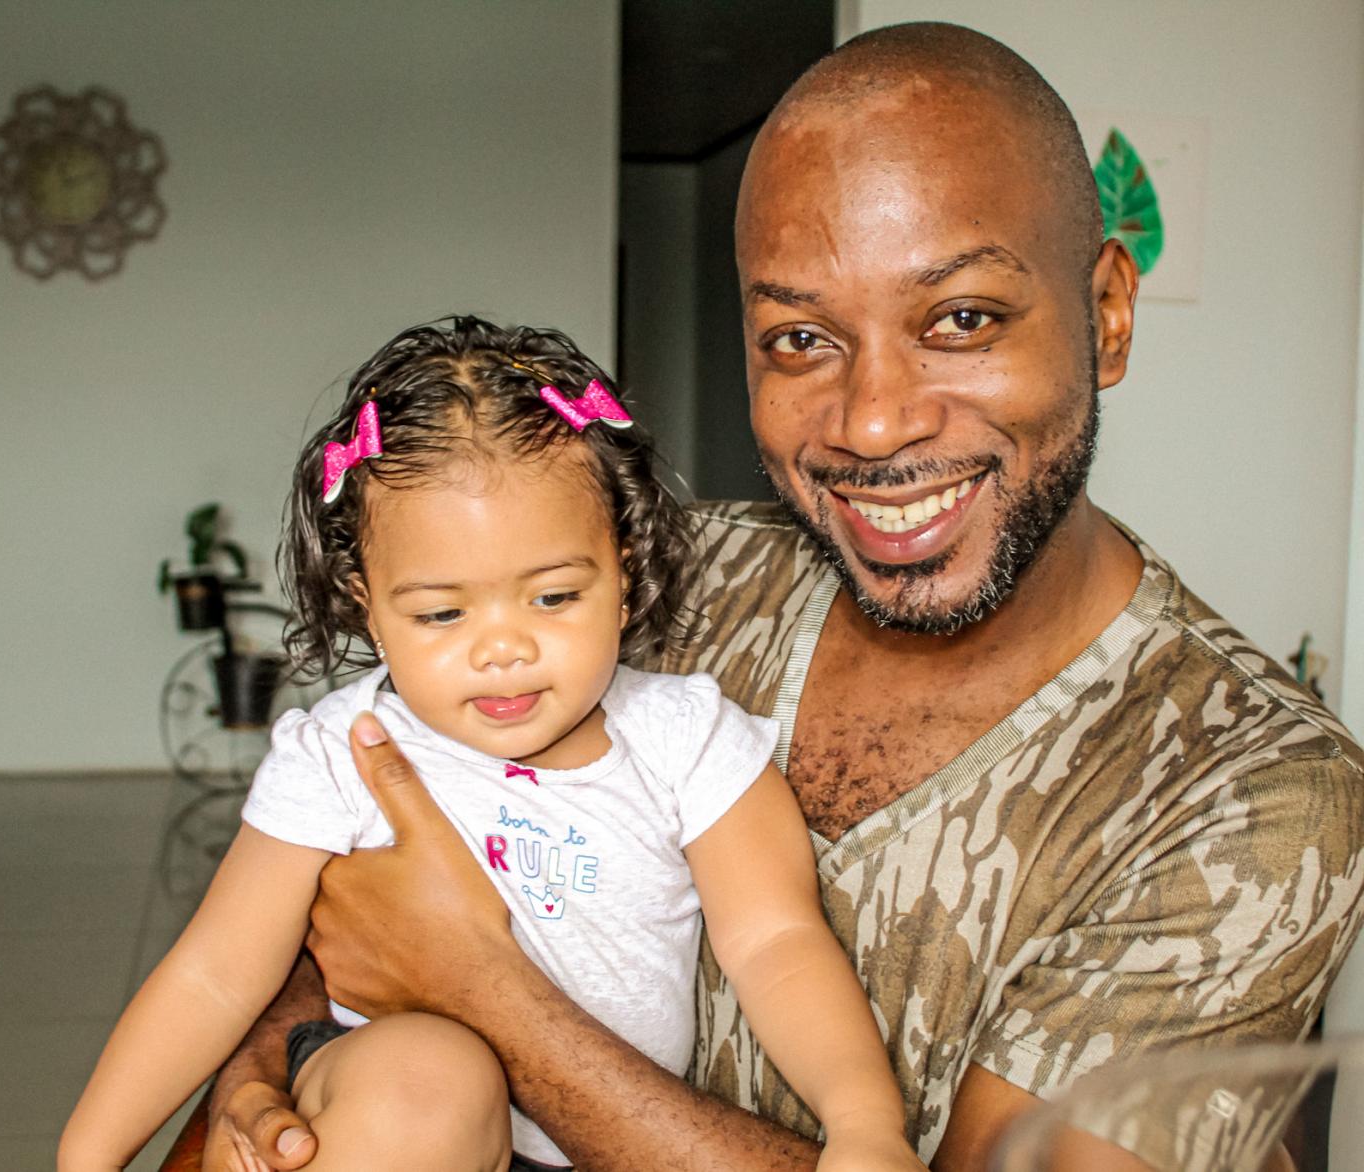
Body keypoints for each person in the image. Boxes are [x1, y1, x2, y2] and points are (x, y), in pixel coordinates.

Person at [202, 22, 1364, 1172]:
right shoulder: (657, 582)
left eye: (960, 319)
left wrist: (492, 999)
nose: (871, 420)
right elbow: (341, 858)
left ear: (1106, 309)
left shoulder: (1250, 793)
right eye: (801, 337)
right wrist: (268, 1058)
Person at [61, 318, 921, 1172]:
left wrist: (862, 1123)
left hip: (597, 1141)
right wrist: (88, 1156)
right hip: (389, 1128)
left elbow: (776, 941)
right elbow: (216, 972)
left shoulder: (685, 741)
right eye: (442, 613)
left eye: (552, 598)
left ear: (623, 576)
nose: (502, 648)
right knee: (429, 1077)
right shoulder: (340, 751)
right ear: (367, 605)